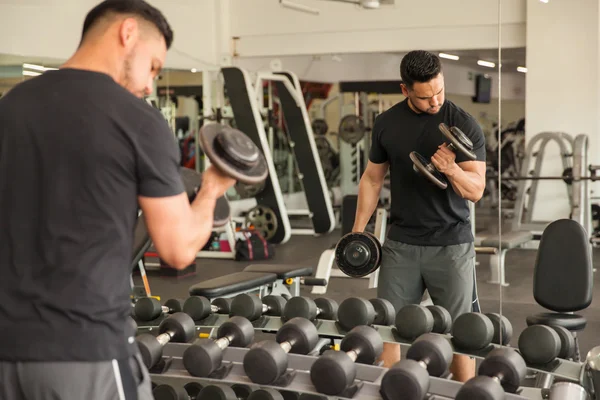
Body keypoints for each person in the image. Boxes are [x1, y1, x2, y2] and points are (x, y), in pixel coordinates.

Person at [0, 1, 235, 399]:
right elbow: (177, 252)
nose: (149, 84)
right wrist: (213, 187)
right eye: (154, 66)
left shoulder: (11, 106)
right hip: (85, 351)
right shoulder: (137, 120)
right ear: (127, 33)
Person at [352, 50, 486, 381]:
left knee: (460, 335)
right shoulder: (387, 124)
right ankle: (392, 389)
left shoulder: (463, 122)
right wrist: (358, 231)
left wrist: (451, 170)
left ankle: (466, 391)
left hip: (451, 246)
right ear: (405, 90)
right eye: (426, 97)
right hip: (402, 244)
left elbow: (476, 189)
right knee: (388, 328)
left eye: (439, 91)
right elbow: (372, 178)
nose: (435, 101)